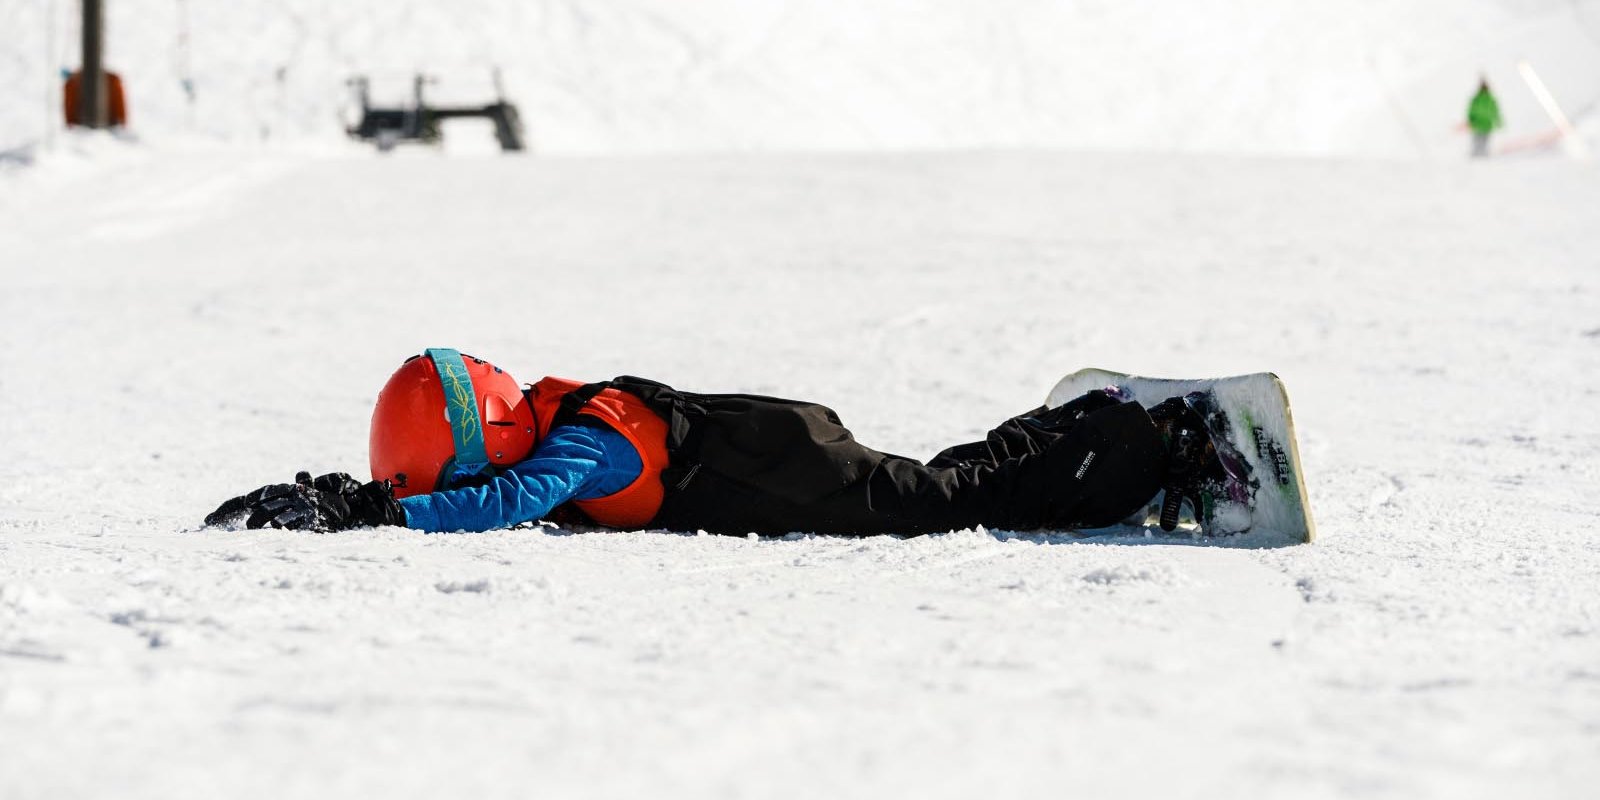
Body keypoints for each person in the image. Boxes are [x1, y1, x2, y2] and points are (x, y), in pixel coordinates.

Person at [205, 349, 1221, 536]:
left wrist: (384, 510)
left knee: (936, 506)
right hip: (767, 441)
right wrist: (360, 486)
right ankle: (1065, 428)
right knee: (929, 482)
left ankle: (1141, 443)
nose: (485, 477)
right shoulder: (550, 426)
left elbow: (503, 499)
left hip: (770, 461)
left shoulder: (579, 449)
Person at [1467, 78, 1502, 158]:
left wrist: (1498, 121)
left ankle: (1481, 155)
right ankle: (1477, 155)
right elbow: (1471, 110)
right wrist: (1470, 120)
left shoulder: (1488, 99)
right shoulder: (1479, 99)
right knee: (1478, 141)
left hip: (1484, 125)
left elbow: (1495, 111)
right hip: (1480, 125)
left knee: (1482, 141)